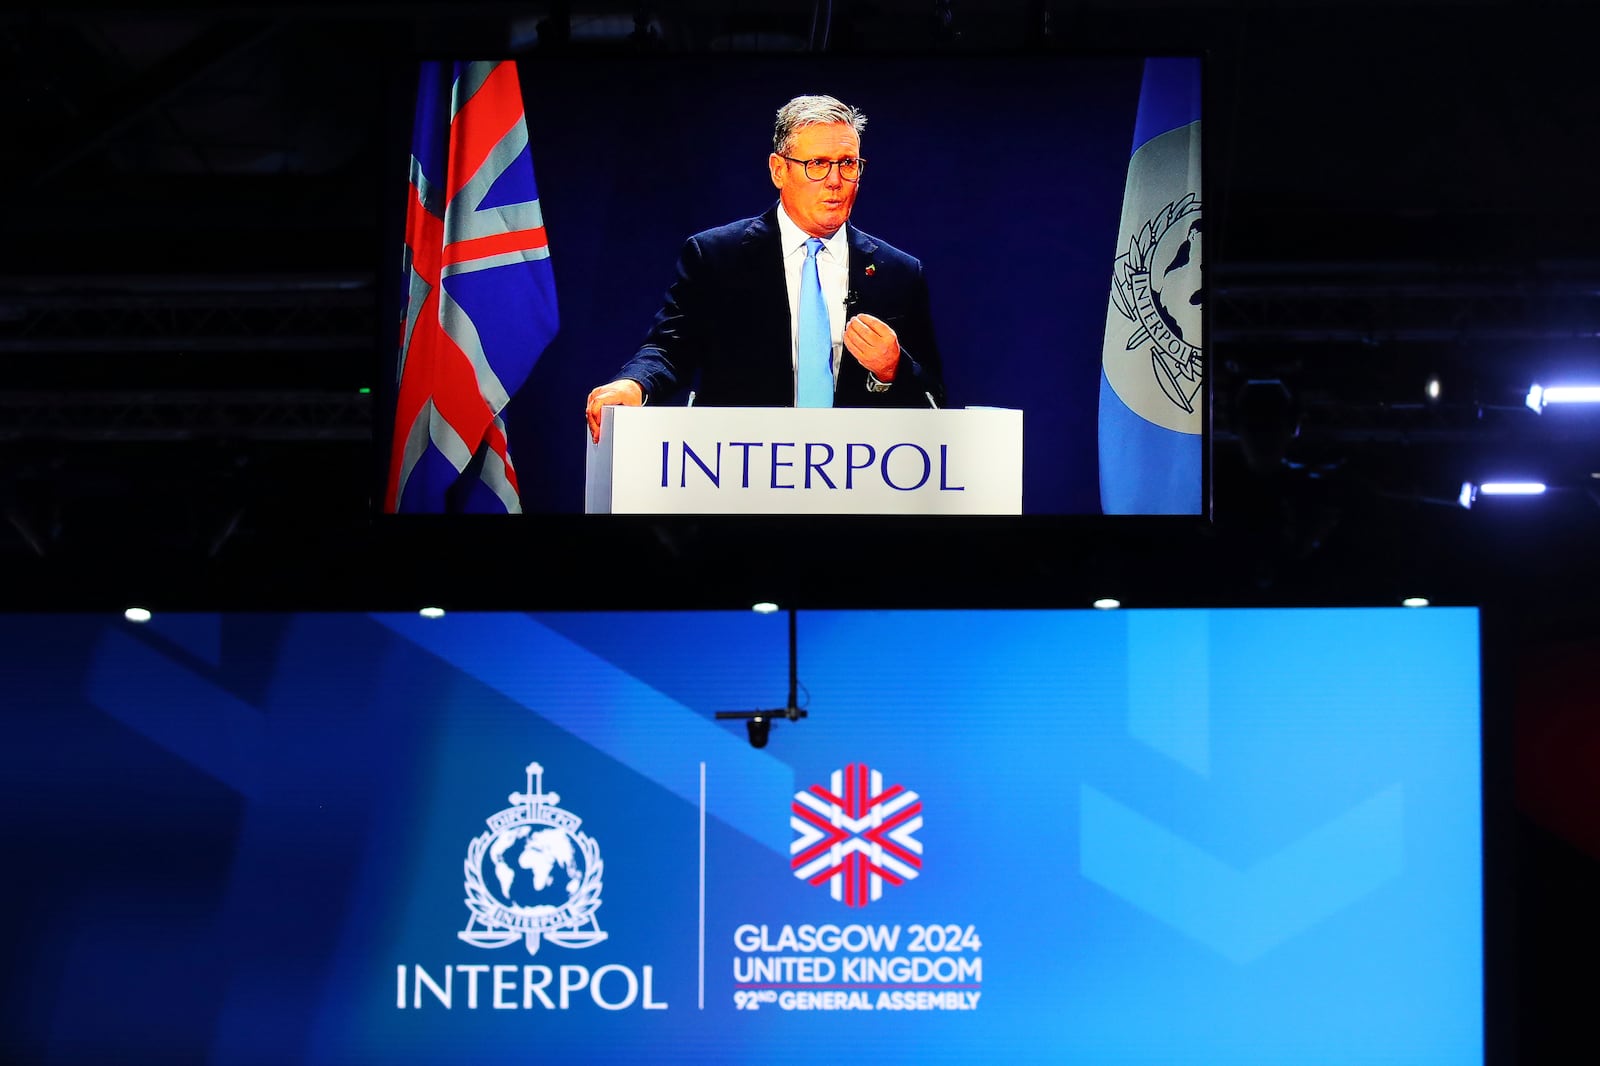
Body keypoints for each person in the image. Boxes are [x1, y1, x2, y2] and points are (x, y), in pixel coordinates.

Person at [586, 94, 944, 442]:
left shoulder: (898, 273)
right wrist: (633, 385)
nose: (835, 180)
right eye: (817, 164)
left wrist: (893, 369)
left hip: (855, 482)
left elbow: (934, 398)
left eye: (848, 163)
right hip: (742, 475)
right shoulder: (716, 257)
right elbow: (670, 349)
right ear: (778, 170)